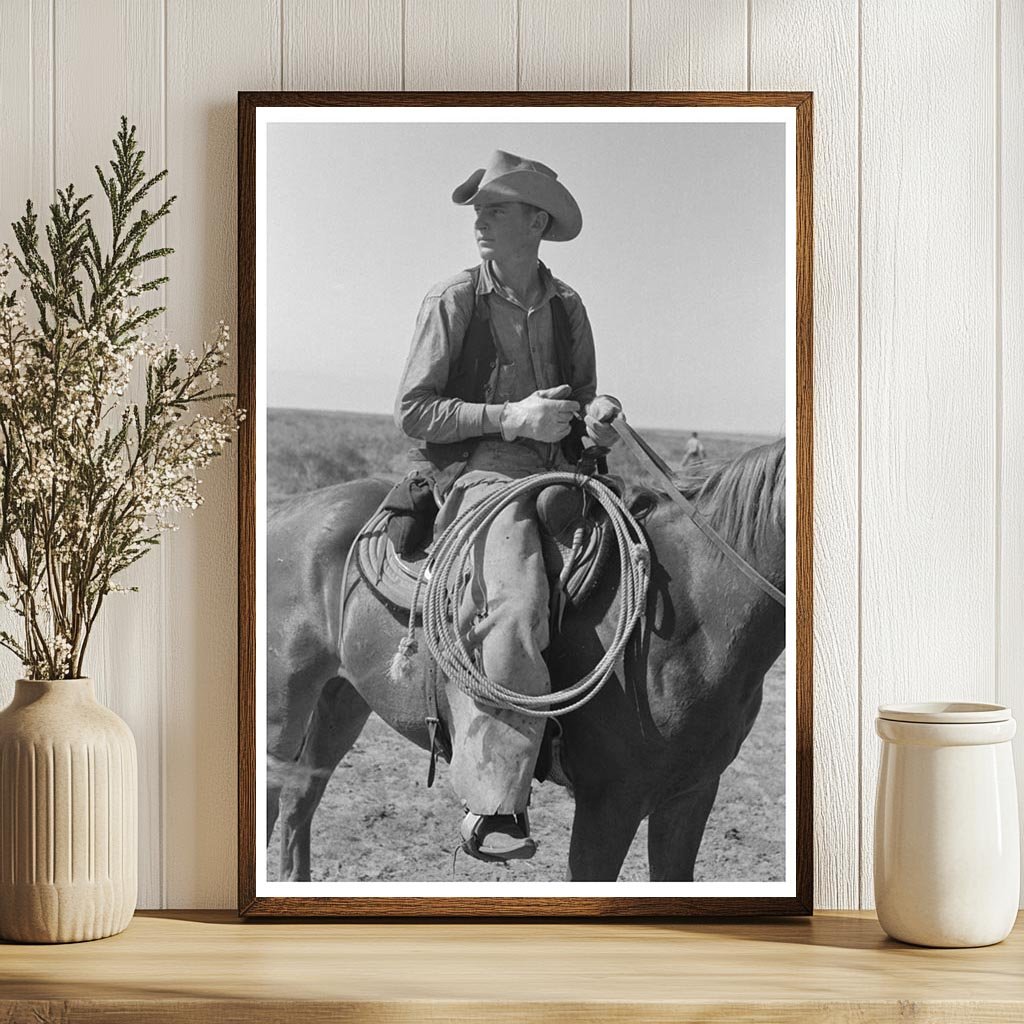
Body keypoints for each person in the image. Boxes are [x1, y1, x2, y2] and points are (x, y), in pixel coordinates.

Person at [394, 150, 620, 862]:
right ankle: (496, 805)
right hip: (483, 474)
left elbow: (585, 402)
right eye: (479, 211)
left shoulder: (569, 306)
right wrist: (511, 419)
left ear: (536, 222)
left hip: (564, 472)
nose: (479, 222)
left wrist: (601, 415)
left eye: (495, 209)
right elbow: (414, 412)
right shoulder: (453, 300)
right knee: (518, 607)